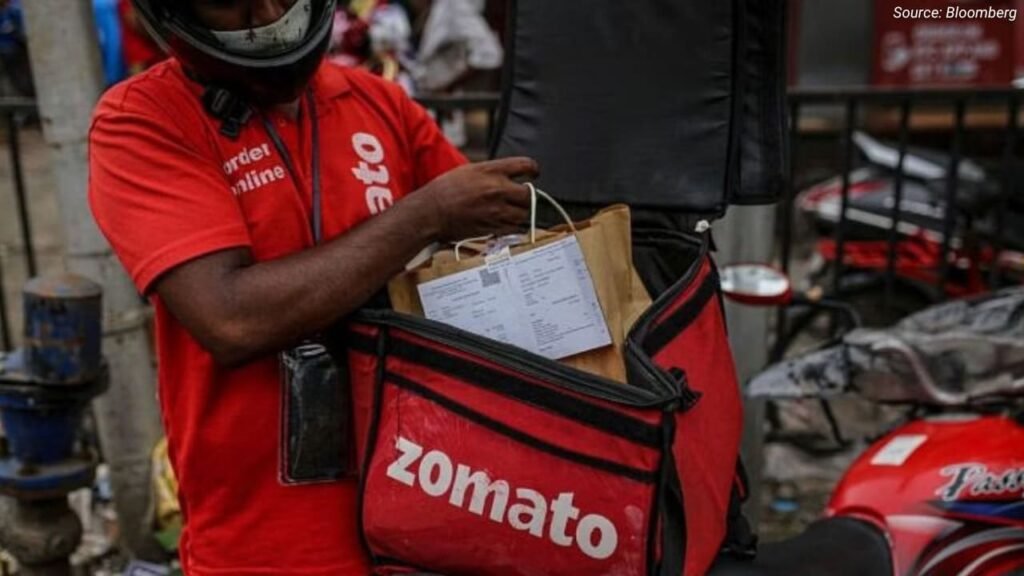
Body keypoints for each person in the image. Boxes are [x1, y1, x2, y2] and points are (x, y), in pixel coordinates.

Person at [87, 1, 537, 574]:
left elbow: (493, 248)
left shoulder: (377, 101)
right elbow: (230, 318)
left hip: (434, 515)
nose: (272, 15)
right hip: (266, 545)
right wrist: (423, 217)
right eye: (234, 2)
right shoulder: (142, 120)